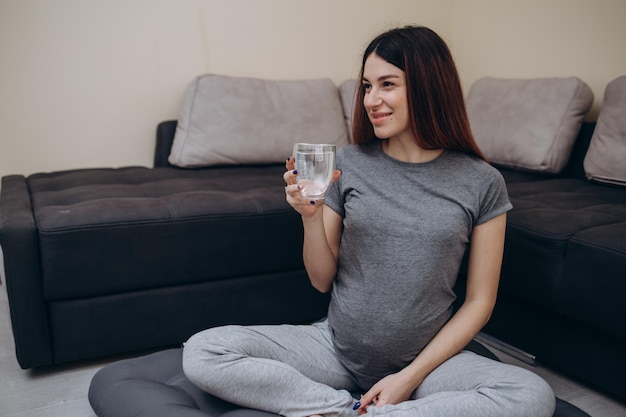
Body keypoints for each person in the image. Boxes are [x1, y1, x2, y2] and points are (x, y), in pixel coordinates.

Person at [182, 26, 556, 417]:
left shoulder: (482, 181)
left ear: (429, 87)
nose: (370, 100)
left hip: (429, 365)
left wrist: (409, 377)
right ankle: (341, 409)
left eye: (387, 84)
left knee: (531, 395)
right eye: (366, 86)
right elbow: (320, 279)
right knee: (203, 351)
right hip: (334, 348)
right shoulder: (349, 162)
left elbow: (480, 300)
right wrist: (310, 219)